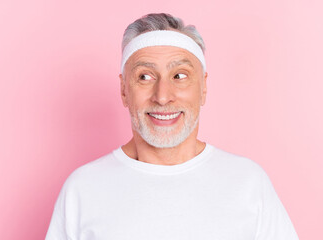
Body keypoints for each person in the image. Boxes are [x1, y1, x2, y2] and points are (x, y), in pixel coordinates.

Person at [45, 13, 299, 239]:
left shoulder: (248, 182)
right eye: (144, 76)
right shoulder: (83, 188)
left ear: (203, 88)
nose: (163, 96)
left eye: (179, 76)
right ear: (124, 90)